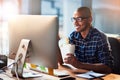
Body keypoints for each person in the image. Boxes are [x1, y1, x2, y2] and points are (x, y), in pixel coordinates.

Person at [63, 7, 114, 73]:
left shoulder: (100, 37)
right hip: (80, 74)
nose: (75, 23)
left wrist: (79, 65)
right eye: (74, 19)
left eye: (79, 19)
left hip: (97, 76)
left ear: (90, 20)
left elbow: (108, 67)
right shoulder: (73, 36)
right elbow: (65, 61)